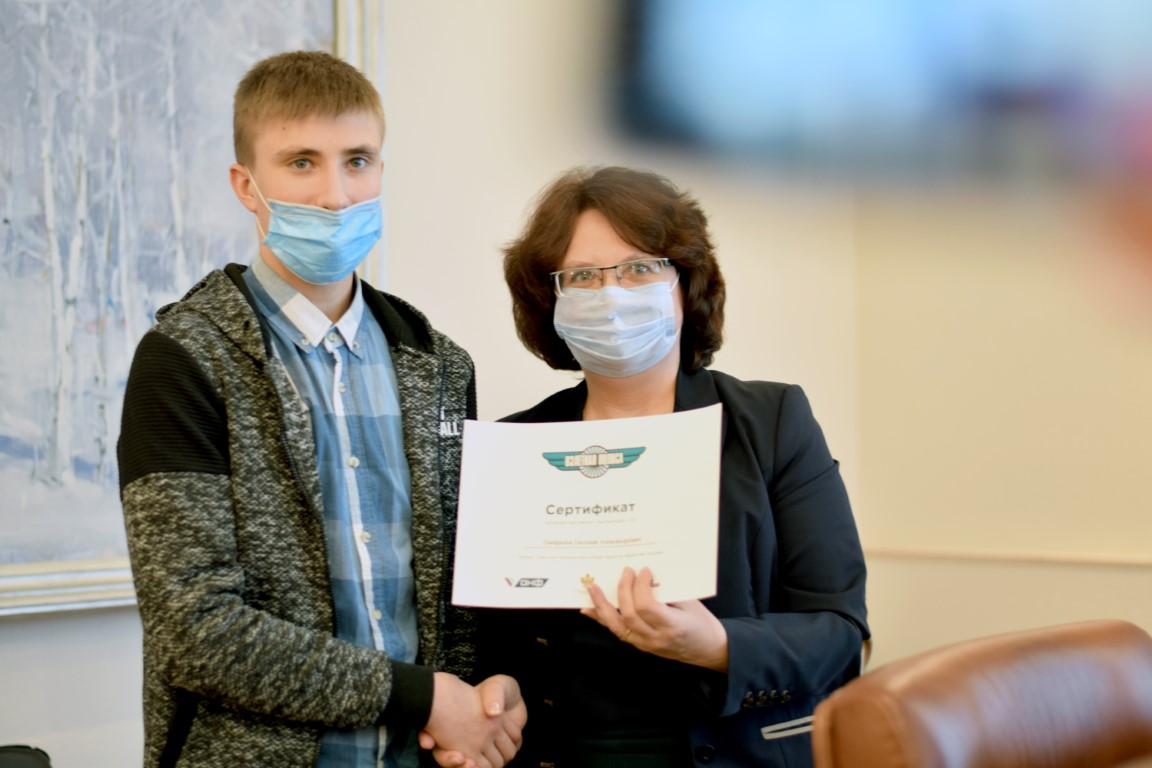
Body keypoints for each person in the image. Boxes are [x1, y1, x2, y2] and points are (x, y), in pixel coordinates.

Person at [117, 51, 525, 768]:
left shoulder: (440, 366)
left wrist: (489, 693)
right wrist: (422, 697)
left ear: (381, 171)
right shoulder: (184, 359)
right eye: (301, 162)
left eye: (357, 161)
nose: (336, 195)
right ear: (246, 185)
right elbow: (195, 631)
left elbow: (458, 595)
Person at [488, 165, 869, 767]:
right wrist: (495, 688)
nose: (611, 294)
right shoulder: (516, 445)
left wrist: (718, 645)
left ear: (686, 283)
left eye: (639, 268)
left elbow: (839, 634)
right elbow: (489, 640)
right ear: (549, 301)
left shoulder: (771, 423)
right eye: (582, 276)